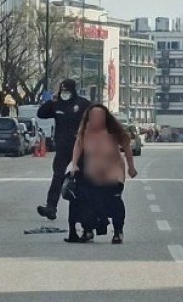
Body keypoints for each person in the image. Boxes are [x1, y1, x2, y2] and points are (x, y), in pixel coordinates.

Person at [69, 104, 137, 244]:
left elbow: (127, 148)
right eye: (93, 116)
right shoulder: (85, 131)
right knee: (87, 201)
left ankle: (118, 231)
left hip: (113, 172)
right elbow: (78, 146)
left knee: (114, 201)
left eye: (100, 116)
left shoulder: (113, 131)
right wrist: (74, 164)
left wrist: (131, 167)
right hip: (92, 171)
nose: (96, 119)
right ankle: (88, 230)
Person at [36, 79, 91, 220]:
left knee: (84, 179)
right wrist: (52, 101)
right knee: (57, 177)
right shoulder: (57, 104)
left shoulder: (83, 104)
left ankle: (88, 208)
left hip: (80, 148)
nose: (64, 93)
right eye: (62, 90)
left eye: (66, 91)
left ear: (73, 91)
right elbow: (41, 113)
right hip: (62, 149)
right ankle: (51, 207)